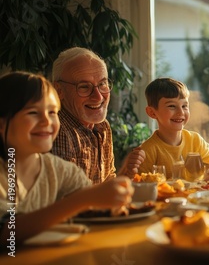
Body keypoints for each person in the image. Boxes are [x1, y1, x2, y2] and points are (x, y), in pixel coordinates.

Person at [0, 72, 133, 245]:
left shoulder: (60, 170)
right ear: (2, 124)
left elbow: (94, 208)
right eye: (33, 112)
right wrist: (84, 199)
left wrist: (118, 188)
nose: (46, 121)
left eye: (52, 112)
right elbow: (6, 233)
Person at [51, 47, 143, 184]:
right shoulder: (58, 131)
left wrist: (125, 175)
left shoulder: (102, 126)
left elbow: (105, 185)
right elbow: (70, 200)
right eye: (84, 87)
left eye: (102, 84)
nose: (98, 96)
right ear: (59, 91)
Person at [127, 78, 209, 178]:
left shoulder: (196, 141)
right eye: (172, 106)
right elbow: (140, 185)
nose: (181, 112)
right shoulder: (148, 151)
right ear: (152, 112)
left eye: (184, 106)